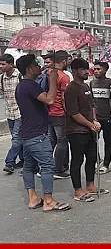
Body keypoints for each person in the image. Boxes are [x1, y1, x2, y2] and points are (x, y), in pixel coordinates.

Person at [15, 54, 71, 211]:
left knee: (29, 166)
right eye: (35, 64)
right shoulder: (30, 85)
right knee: (47, 166)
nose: (39, 67)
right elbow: (50, 100)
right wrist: (53, 80)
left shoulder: (22, 85)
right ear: (28, 69)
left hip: (26, 133)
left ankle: (33, 198)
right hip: (37, 134)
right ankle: (48, 201)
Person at [65, 58, 107, 202]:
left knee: (91, 158)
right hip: (76, 130)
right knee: (77, 160)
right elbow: (74, 113)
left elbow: (92, 107)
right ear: (75, 71)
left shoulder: (86, 87)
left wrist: (94, 121)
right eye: (83, 69)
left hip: (90, 130)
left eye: (86, 69)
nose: (86, 72)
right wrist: (90, 124)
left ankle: (90, 185)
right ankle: (77, 191)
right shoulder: (71, 89)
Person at [48, 51, 72, 179]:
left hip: (49, 111)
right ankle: (58, 169)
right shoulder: (64, 77)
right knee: (62, 141)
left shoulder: (48, 73)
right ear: (64, 61)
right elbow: (63, 98)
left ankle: (45, 166)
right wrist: (68, 112)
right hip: (59, 112)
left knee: (51, 140)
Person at [90, 61, 111, 175]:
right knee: (93, 141)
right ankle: (97, 160)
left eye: (99, 69)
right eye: (95, 69)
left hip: (108, 117)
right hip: (96, 118)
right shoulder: (92, 83)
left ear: (105, 70)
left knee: (108, 141)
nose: (96, 71)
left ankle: (106, 164)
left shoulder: (110, 83)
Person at [0, 54, 23, 174]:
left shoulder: (19, 76)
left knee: (16, 139)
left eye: (3, 64)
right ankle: (23, 160)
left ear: (10, 64)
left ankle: (9, 162)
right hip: (9, 113)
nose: (1, 66)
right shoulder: (1, 78)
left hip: (20, 113)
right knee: (18, 139)